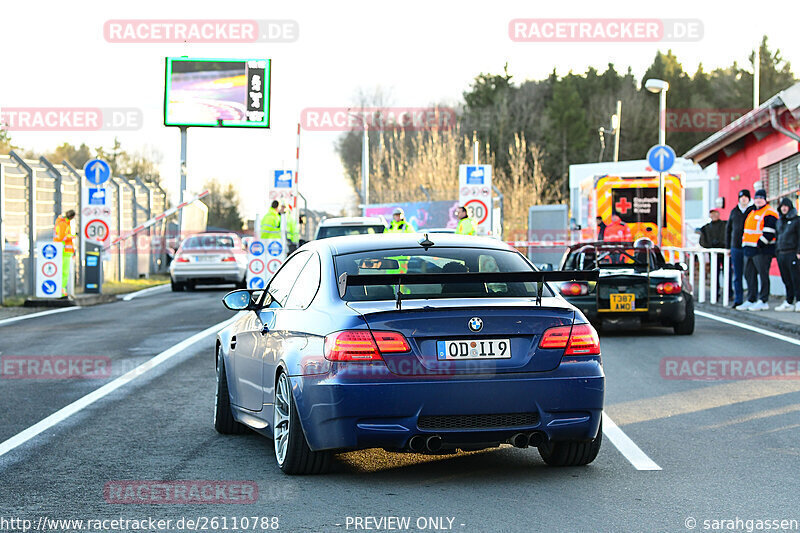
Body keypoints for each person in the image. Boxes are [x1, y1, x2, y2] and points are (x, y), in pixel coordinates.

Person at [740, 189, 778, 311]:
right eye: (757, 198)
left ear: (765, 199)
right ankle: (751, 298)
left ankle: (763, 300)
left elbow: (769, 232)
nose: (758, 200)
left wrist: (759, 244)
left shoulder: (769, 212)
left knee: (763, 275)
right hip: (749, 250)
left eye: (761, 198)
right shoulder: (752, 211)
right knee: (749, 275)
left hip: (762, 250)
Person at [728, 189, 754, 309]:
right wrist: (728, 247)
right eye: (741, 197)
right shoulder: (734, 211)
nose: (743, 199)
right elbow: (728, 230)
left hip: (748, 246)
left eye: (745, 197)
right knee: (737, 275)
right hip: (736, 247)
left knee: (749, 274)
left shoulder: (753, 210)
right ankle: (738, 299)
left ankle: (751, 298)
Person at [774, 197, 800, 311]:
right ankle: (789, 301)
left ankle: (798, 300)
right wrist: (777, 252)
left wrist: (799, 251)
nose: (784, 208)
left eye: (786, 206)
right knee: (786, 279)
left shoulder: (797, 220)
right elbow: (777, 236)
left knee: (796, 278)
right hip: (781, 253)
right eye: (782, 206)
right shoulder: (779, 221)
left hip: (792, 252)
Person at [699, 209, 727, 300]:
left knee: (727, 273)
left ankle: (729, 293)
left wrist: (722, 244)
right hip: (713, 254)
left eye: (715, 213)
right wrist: (710, 246)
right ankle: (715, 293)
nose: (714, 215)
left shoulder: (725, 225)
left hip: (725, 253)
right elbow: (702, 241)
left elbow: (728, 237)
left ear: (719, 214)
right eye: (712, 214)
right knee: (715, 274)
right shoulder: (706, 228)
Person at [53, 209, 76, 297]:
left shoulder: (64, 222)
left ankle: (62, 289)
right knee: (64, 272)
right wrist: (73, 236)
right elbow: (62, 237)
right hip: (63, 251)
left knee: (64, 272)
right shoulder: (63, 224)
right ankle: (61, 290)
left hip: (65, 251)